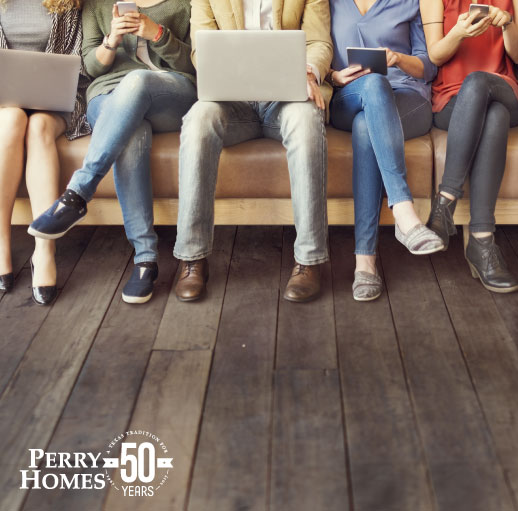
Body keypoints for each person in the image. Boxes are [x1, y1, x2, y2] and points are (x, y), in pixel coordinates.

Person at [28, 0, 197, 304]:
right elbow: (89, 67)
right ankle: (145, 261)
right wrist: (112, 41)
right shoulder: (98, 4)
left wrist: (158, 33)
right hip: (107, 98)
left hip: (169, 94)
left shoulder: (184, 3)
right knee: (131, 133)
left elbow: (193, 63)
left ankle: (77, 194)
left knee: (137, 80)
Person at [171, 0, 332, 304]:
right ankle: (192, 258)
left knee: (307, 119)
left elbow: (318, 41)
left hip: (284, 100)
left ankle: (309, 260)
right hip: (234, 102)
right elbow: (200, 50)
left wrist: (309, 72)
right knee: (198, 120)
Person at [328, 0, 444, 301]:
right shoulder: (330, 3)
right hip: (349, 96)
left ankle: (364, 263)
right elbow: (313, 49)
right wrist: (332, 75)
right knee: (373, 83)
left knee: (367, 126)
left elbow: (428, 67)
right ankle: (405, 214)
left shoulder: (409, 3)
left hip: (406, 98)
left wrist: (399, 59)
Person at [423, 0, 518, 294]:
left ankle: (445, 201)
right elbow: (435, 55)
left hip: (504, 88)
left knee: (480, 83)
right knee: (494, 115)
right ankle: (482, 243)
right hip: (453, 101)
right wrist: (458, 33)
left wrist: (507, 23)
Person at [0, 0, 89, 305]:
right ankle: (1, 243)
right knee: (12, 119)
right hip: (3, 105)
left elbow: (81, 61)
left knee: (37, 126)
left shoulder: (68, 2)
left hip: (55, 102)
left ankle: (44, 247)